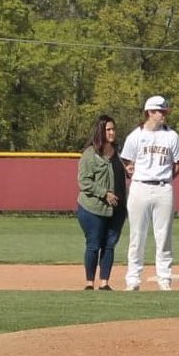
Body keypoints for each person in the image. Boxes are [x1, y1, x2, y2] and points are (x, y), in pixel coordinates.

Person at [120, 95, 179, 291]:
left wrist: (165, 178)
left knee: (164, 236)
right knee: (136, 236)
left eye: (165, 111)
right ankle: (133, 280)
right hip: (139, 186)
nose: (163, 114)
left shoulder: (171, 136)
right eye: (160, 111)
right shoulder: (135, 136)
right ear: (150, 111)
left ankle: (164, 278)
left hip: (163, 187)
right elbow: (126, 159)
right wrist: (131, 169)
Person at [75, 114, 127, 291]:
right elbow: (84, 182)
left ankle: (104, 282)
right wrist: (104, 193)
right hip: (92, 208)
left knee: (109, 245)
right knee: (94, 244)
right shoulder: (90, 154)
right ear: (101, 131)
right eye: (108, 129)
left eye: (113, 129)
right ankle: (89, 282)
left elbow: (121, 174)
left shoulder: (119, 154)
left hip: (116, 209)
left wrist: (129, 170)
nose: (112, 133)